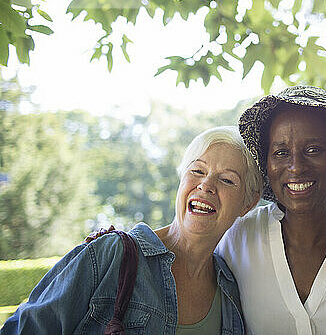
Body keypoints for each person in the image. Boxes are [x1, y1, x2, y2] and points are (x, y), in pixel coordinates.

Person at [1, 126, 263, 335]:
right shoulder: (109, 254)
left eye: (227, 180)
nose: (206, 185)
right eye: (197, 170)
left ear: (248, 204)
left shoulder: (230, 288)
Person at [216, 85, 326, 335]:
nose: (296, 167)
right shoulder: (236, 237)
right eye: (281, 152)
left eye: (313, 150)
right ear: (266, 164)